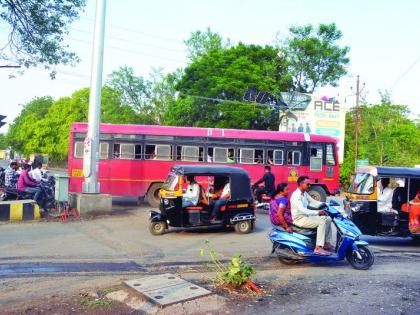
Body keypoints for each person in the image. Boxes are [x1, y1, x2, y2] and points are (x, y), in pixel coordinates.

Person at [290, 175, 334, 256]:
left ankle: (326, 243)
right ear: (301, 184)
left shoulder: (304, 193)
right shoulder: (296, 195)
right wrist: (318, 212)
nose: (309, 186)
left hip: (306, 217)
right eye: (308, 184)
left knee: (327, 219)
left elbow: (314, 202)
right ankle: (318, 248)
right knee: (321, 221)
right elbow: (303, 210)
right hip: (299, 219)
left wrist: (329, 204)